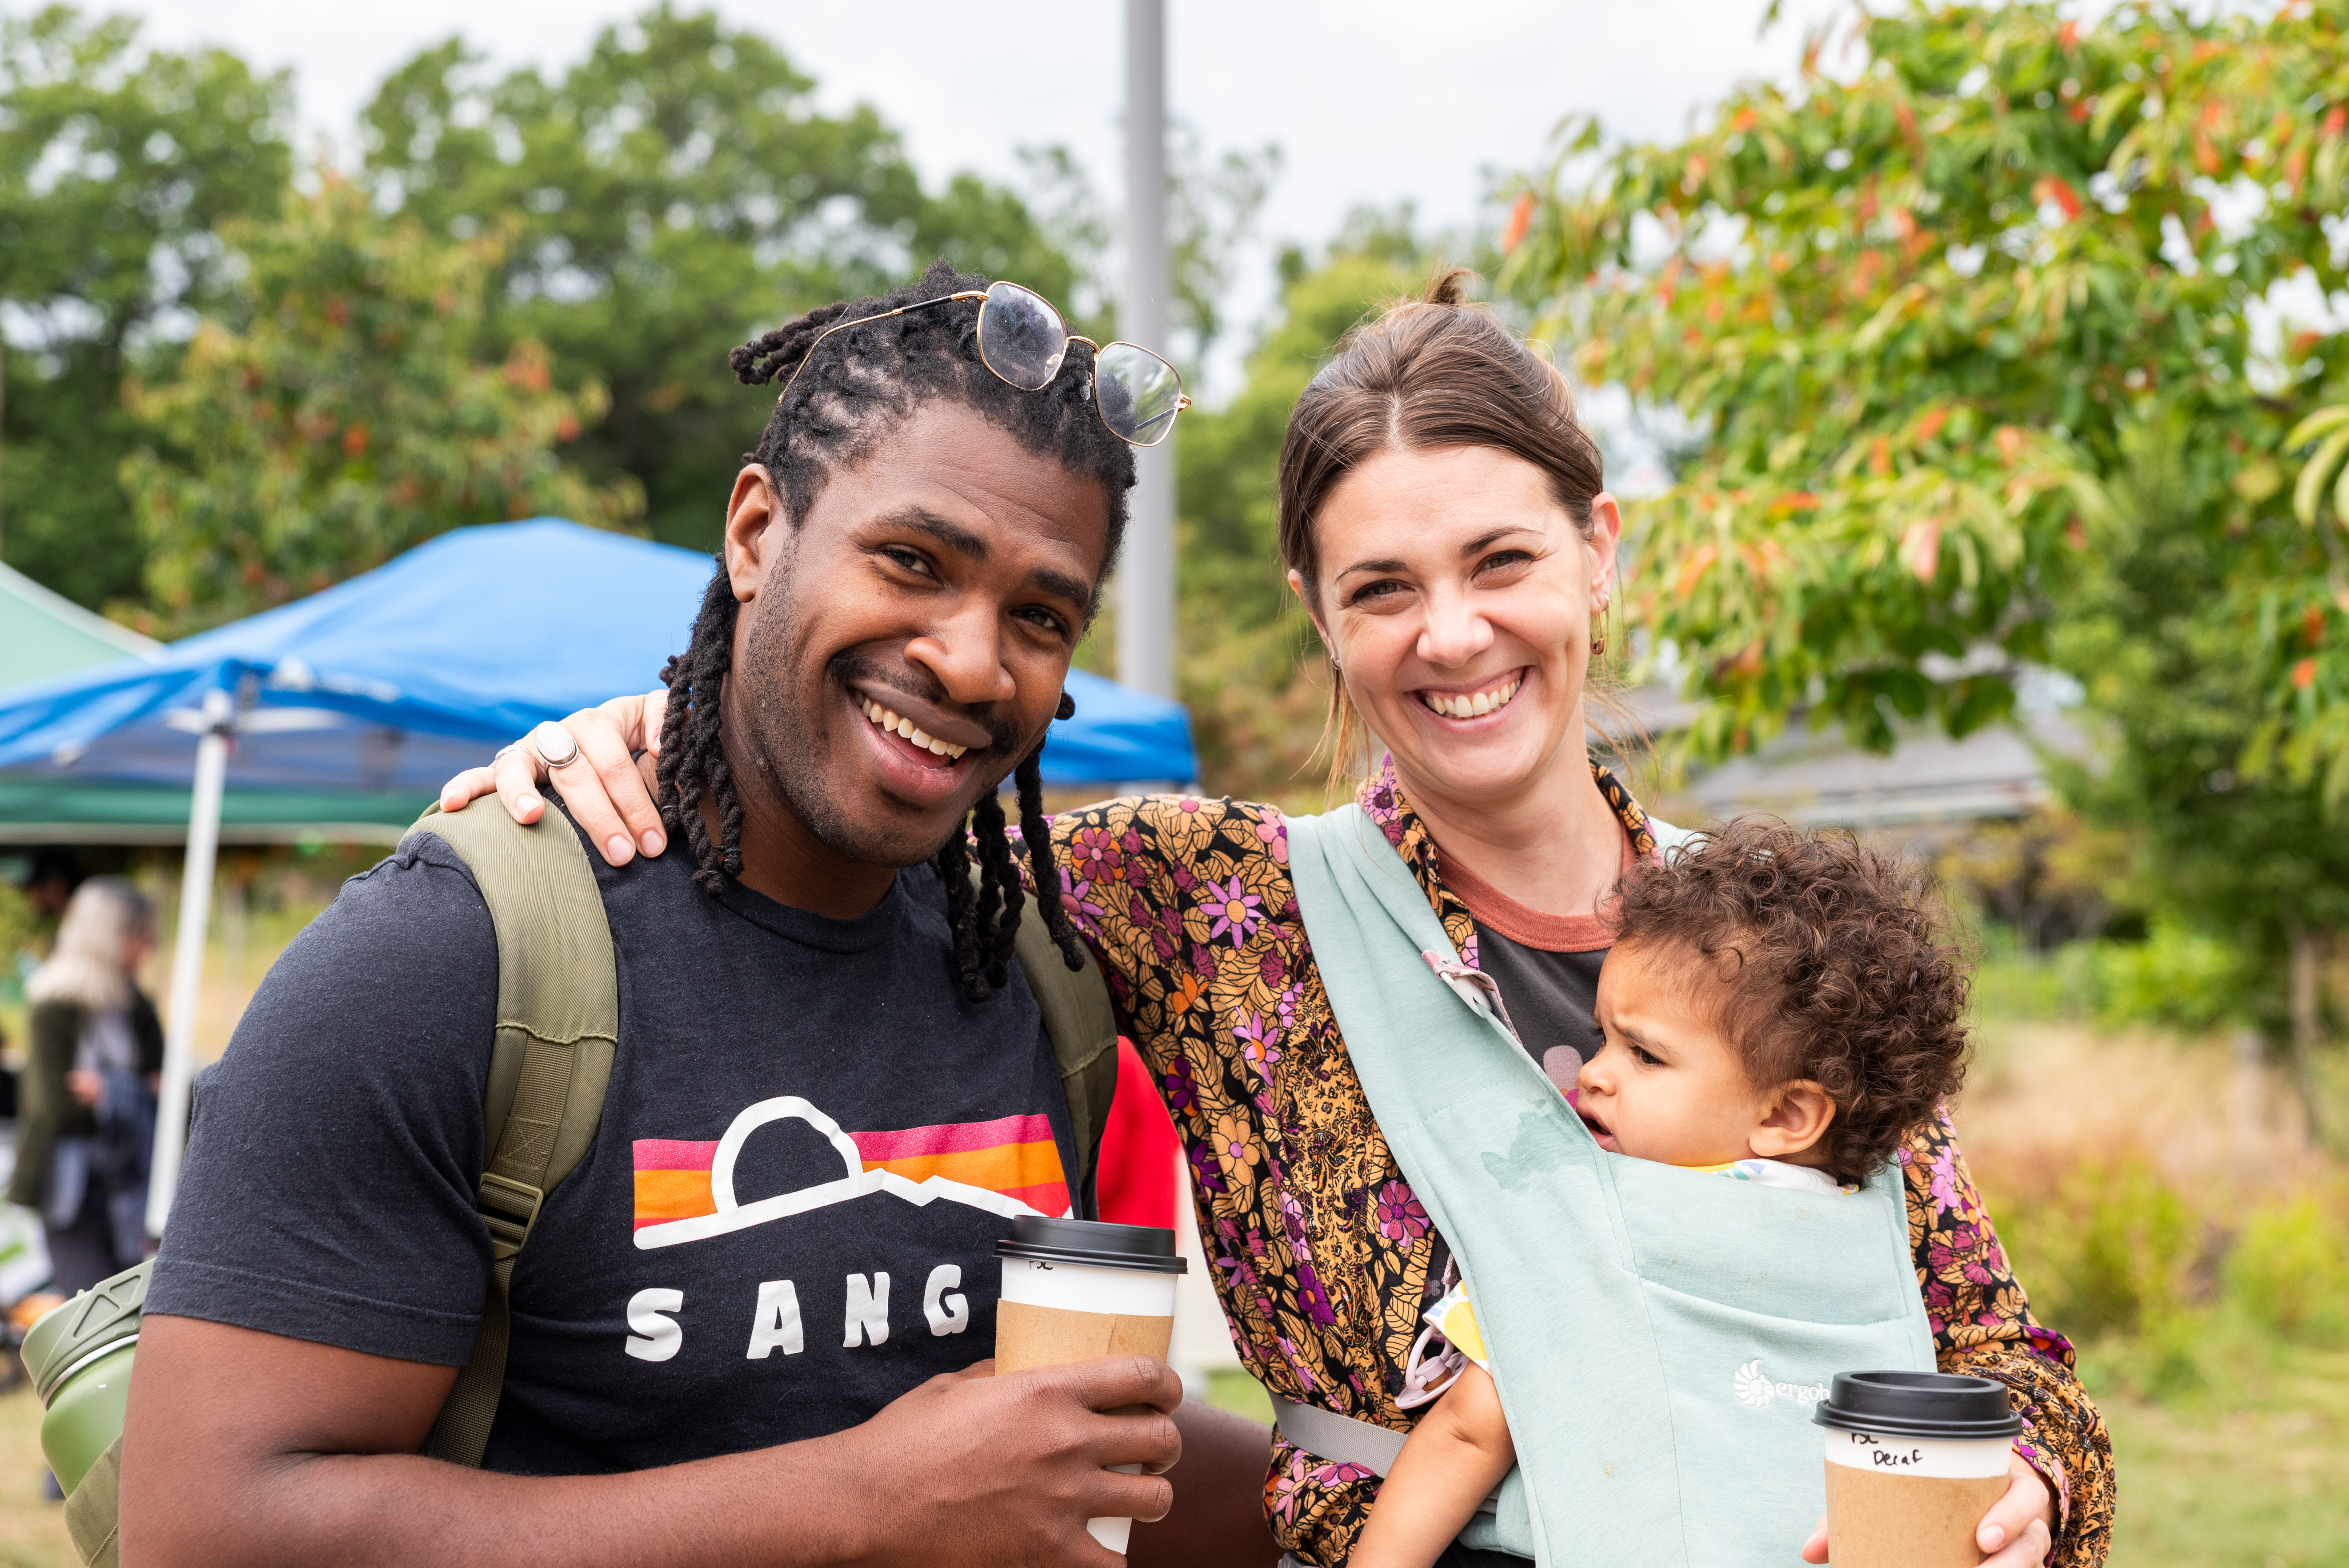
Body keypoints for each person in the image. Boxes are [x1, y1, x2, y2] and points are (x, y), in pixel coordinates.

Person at [447, 271, 2114, 1566]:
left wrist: (2027, 1493)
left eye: (1501, 562)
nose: (1453, 635)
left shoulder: (1784, 946)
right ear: (1320, 617)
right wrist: (653, 728)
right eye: (1382, 589)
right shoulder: (1216, 904)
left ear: (1598, 555)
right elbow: (887, 778)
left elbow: (2001, 1356)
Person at [122, 263, 1278, 1568]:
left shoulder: (1033, 957)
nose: (969, 658)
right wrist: (869, 1502)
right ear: (751, 531)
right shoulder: (448, 962)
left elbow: (1049, 1469)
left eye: (1039, 615)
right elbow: (207, 1530)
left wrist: (1449, 1496)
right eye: (911, 560)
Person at [1352, 822, 1971, 1568]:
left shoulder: (1593, 1227)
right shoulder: (1872, 1230)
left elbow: (1469, 1430)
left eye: (1644, 1054)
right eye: (1603, 1036)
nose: (1592, 1073)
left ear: (1784, 1116)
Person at [12, 877, 161, 1294]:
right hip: (69, 1188)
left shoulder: (137, 1007)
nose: (149, 947)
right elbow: (57, 1109)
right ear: (110, 937)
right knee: (90, 1307)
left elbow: (164, 1093)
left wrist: (109, 1091)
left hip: (130, 1183)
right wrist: (132, 1093)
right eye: (141, 935)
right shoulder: (54, 1006)